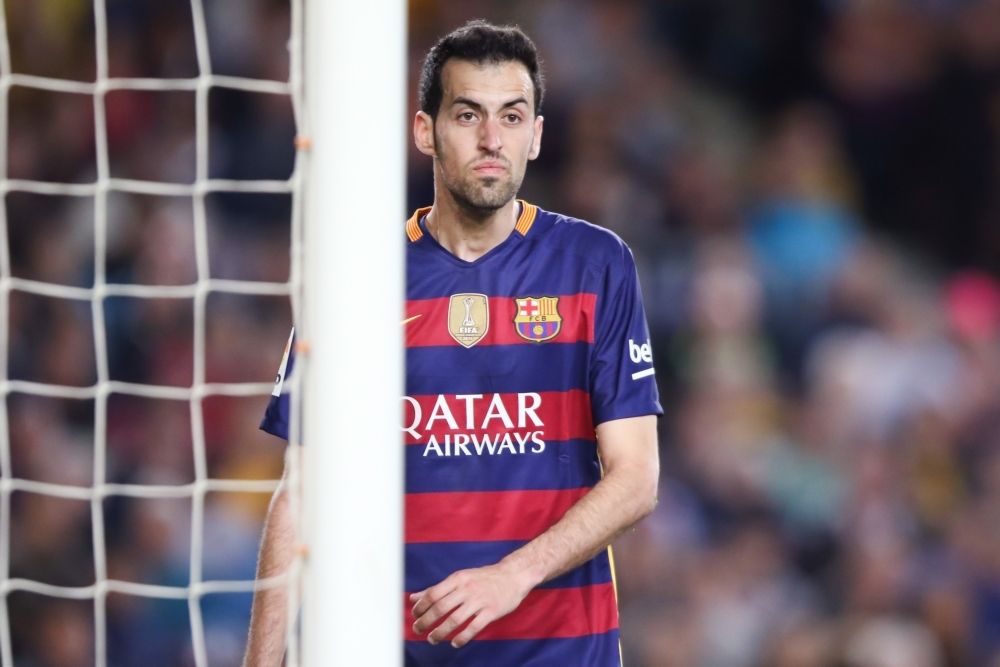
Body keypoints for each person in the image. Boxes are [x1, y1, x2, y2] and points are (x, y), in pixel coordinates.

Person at [244, 20, 661, 667]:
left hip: (560, 654)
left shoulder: (595, 264)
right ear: (425, 131)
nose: (492, 139)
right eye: (468, 114)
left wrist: (513, 575)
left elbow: (636, 478)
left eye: (512, 117)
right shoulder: (354, 277)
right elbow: (302, 492)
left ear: (536, 136)